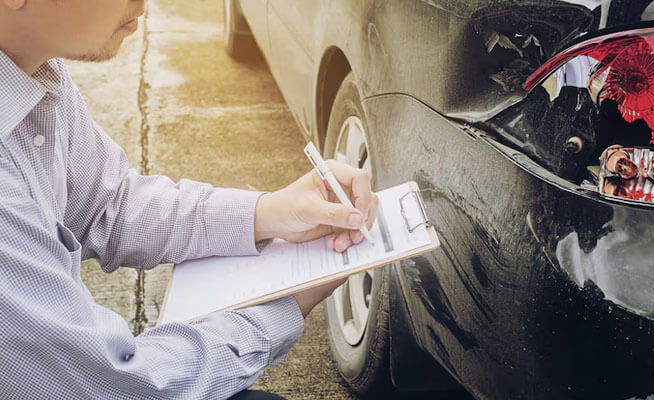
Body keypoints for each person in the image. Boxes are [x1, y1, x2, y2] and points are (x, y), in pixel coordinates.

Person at [0, 0, 379, 399]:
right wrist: (281, 308)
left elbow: (107, 205)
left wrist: (269, 212)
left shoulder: (35, 71)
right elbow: (117, 386)